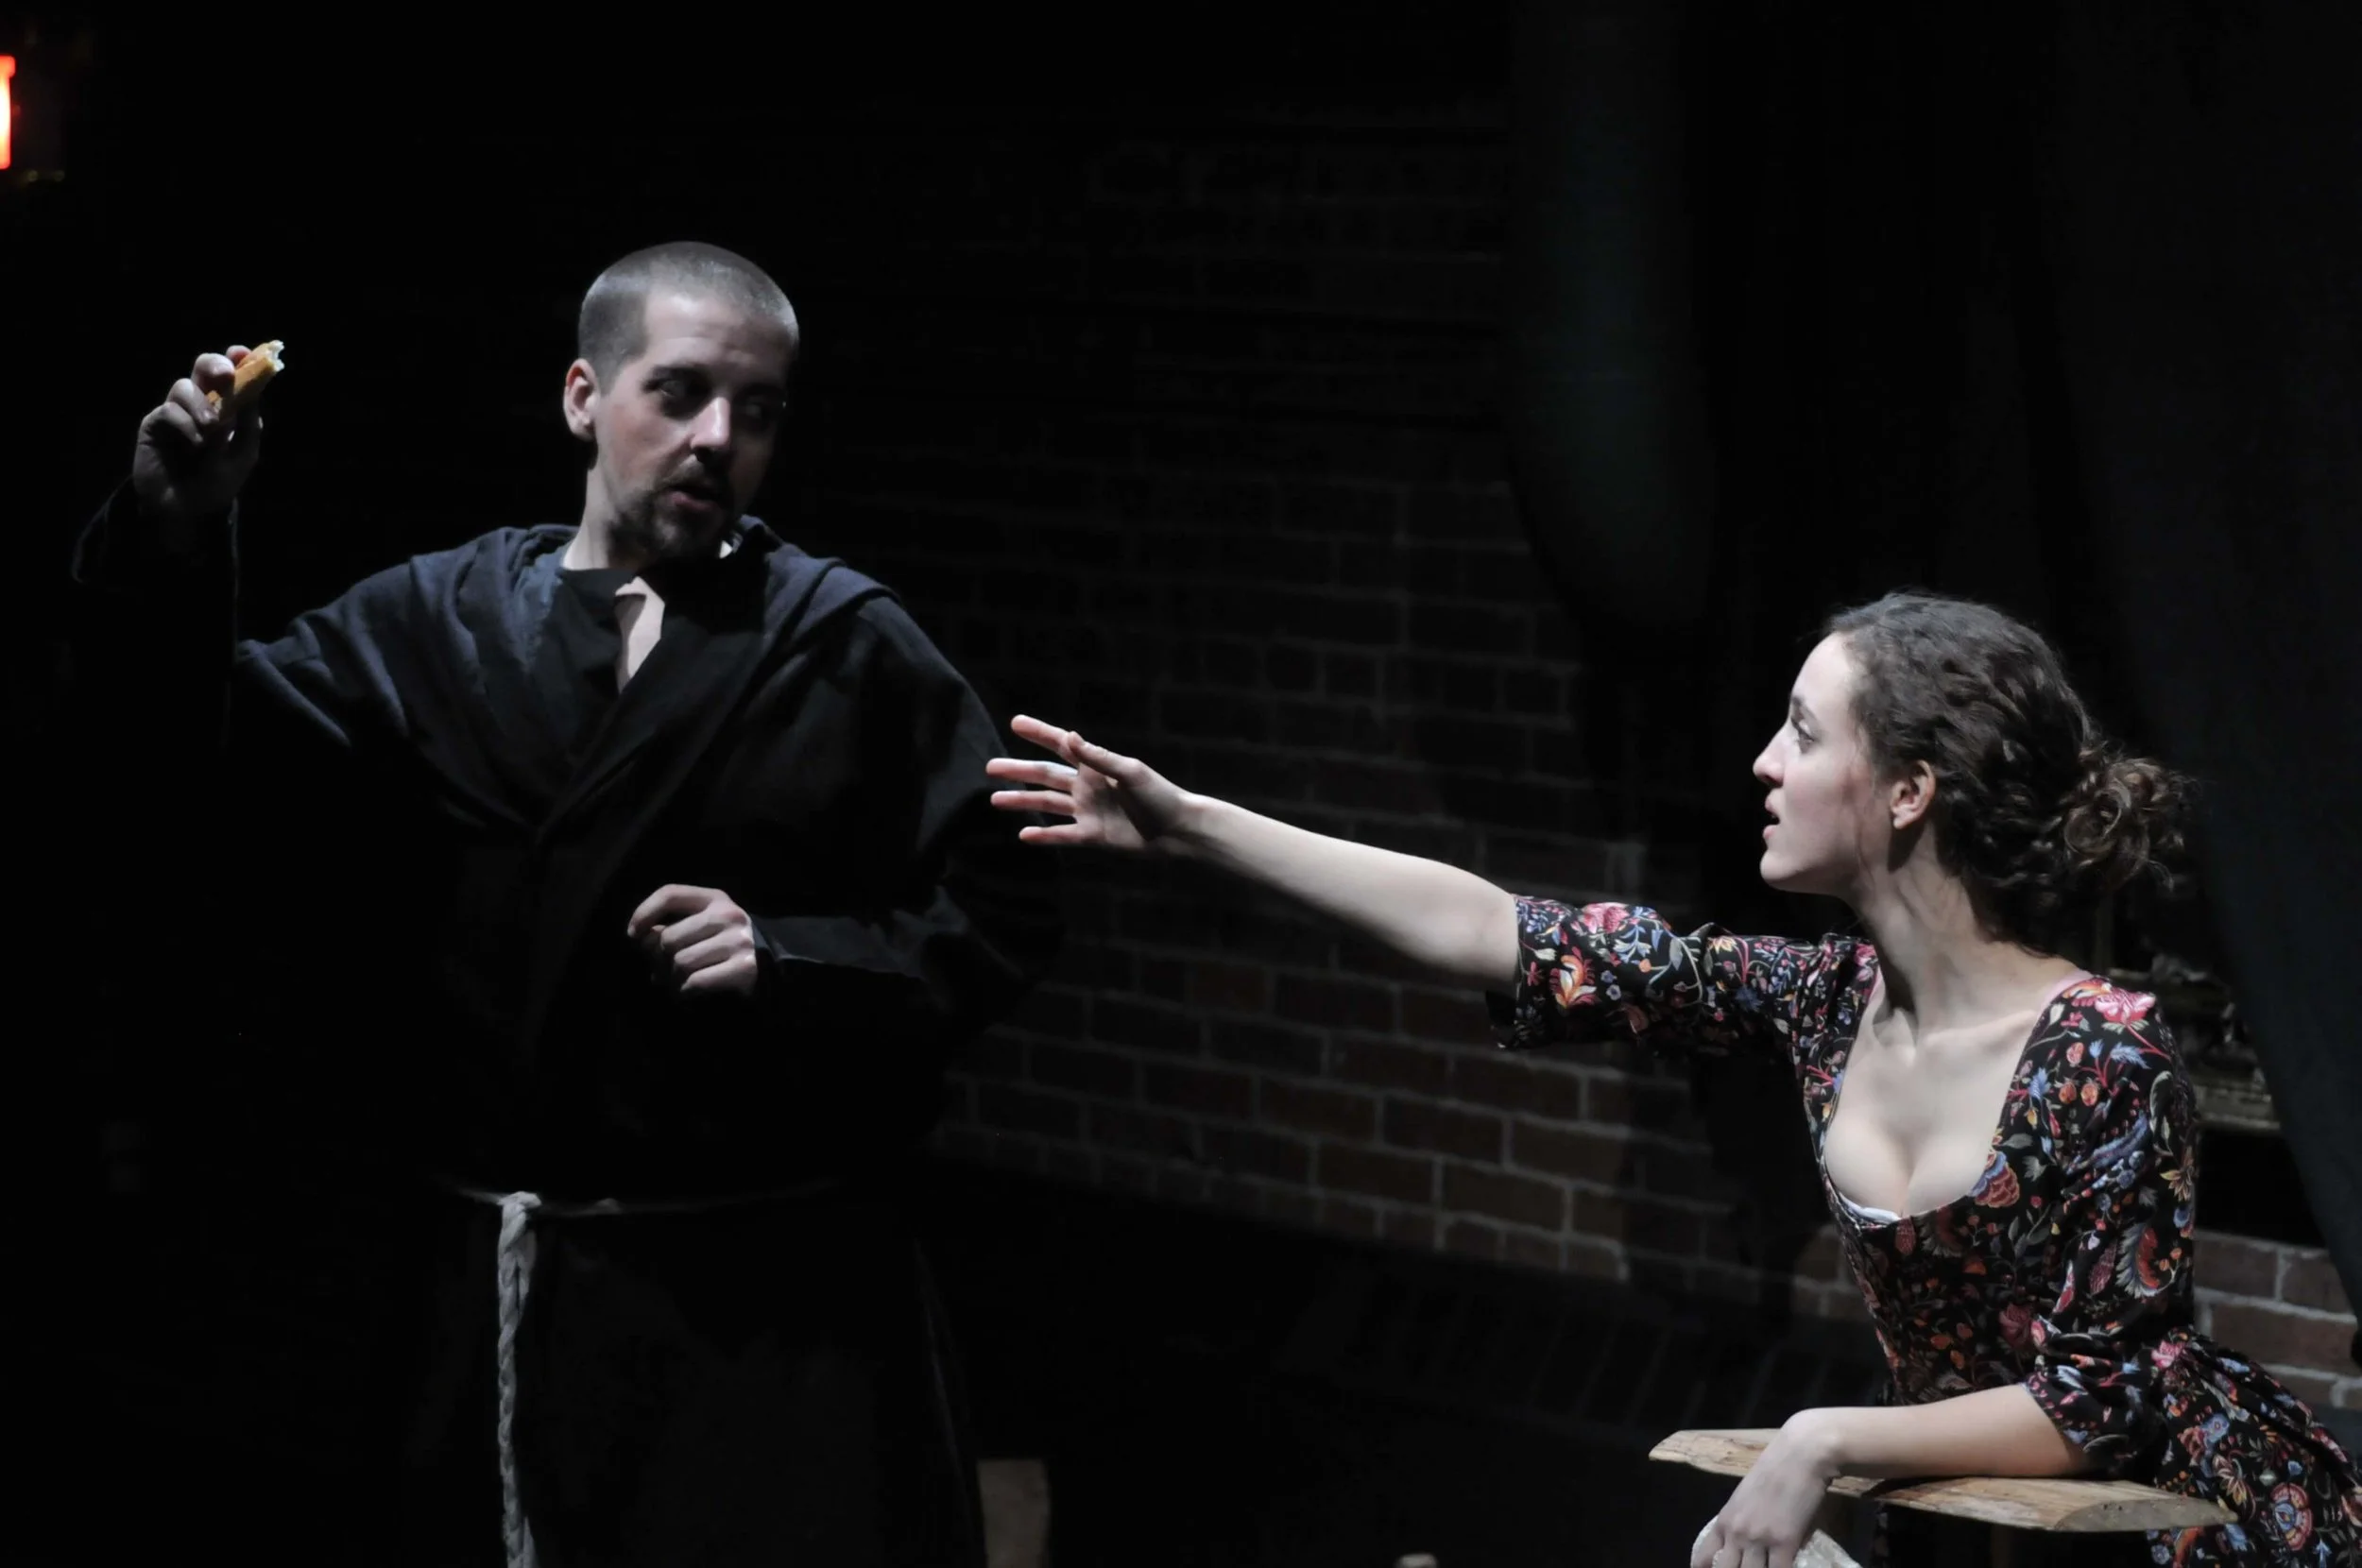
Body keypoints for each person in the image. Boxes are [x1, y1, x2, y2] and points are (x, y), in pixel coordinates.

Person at [986, 593, 2362, 1568]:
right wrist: (1192, 827)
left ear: (1907, 793)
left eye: (1804, 735)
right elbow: (1499, 931)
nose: (1764, 764)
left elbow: (2099, 1401)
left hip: (2177, 1528)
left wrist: (1826, 1438)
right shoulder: (1821, 1002)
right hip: (1968, 1519)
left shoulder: (2101, 1053)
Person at [66, 241, 1062, 1567]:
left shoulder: (841, 644)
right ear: (585, 397)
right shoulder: (443, 622)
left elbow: (1002, 904)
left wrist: (790, 958)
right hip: (488, 1295)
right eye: (680, 392)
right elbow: (189, 757)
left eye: (756, 411)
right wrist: (176, 531)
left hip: (760, 1321)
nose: (718, 438)